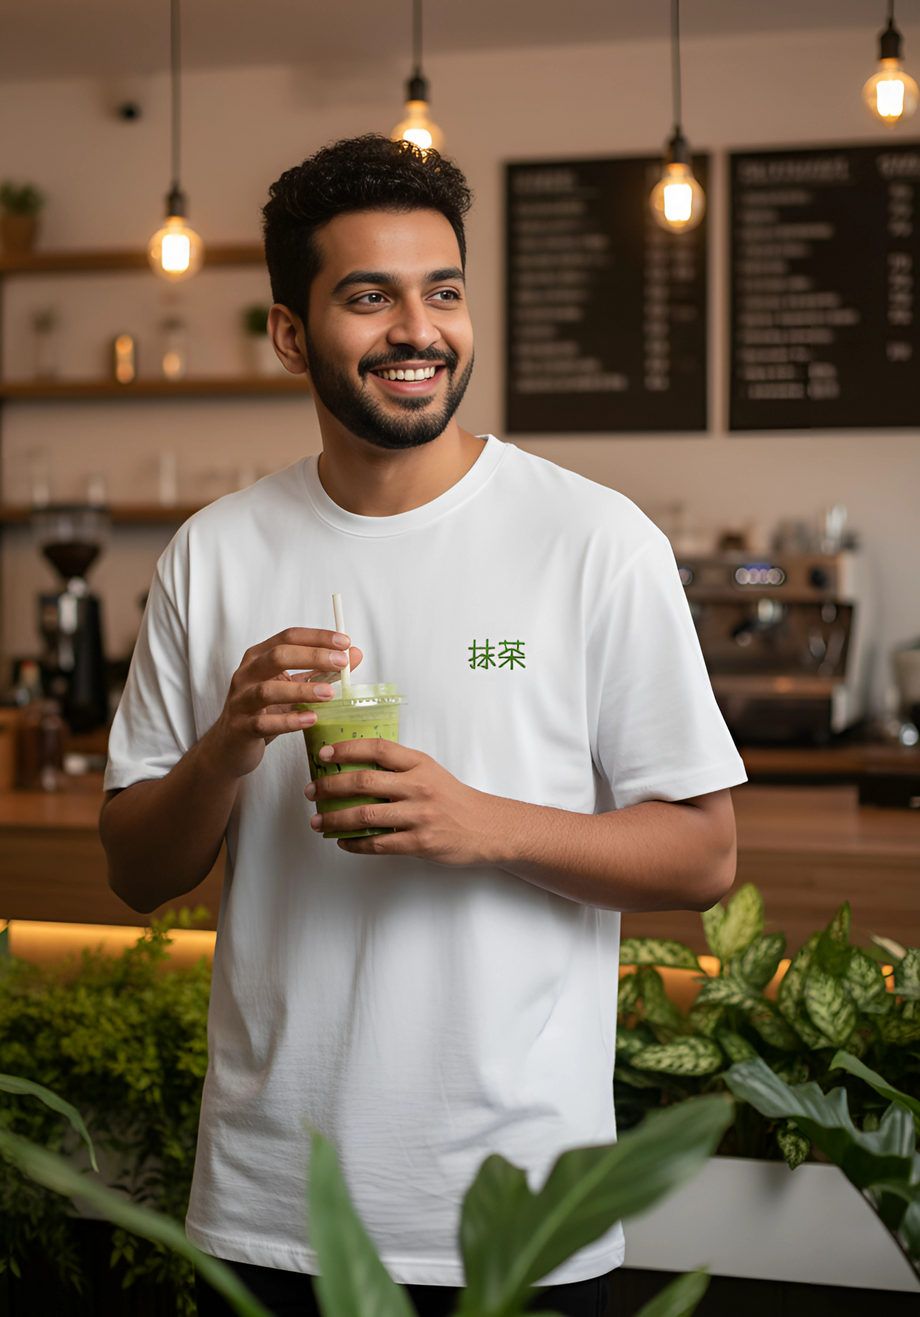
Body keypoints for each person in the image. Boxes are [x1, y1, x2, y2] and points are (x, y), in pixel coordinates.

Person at [100, 134, 746, 1317]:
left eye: (442, 291)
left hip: (520, 1219)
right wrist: (228, 745)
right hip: (273, 1209)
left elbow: (704, 856)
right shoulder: (215, 552)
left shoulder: (593, 543)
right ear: (292, 333)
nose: (418, 329)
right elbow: (139, 870)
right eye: (369, 297)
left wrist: (482, 824)